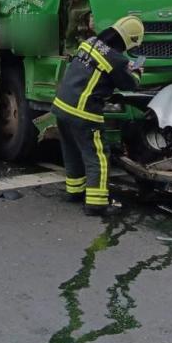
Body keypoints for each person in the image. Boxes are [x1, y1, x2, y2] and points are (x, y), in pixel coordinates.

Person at [52, 16, 144, 216]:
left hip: (61, 106)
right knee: (98, 156)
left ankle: (74, 191)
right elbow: (129, 84)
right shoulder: (116, 60)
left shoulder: (89, 43)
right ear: (129, 40)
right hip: (83, 112)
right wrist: (137, 71)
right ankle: (96, 203)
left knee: (72, 151)